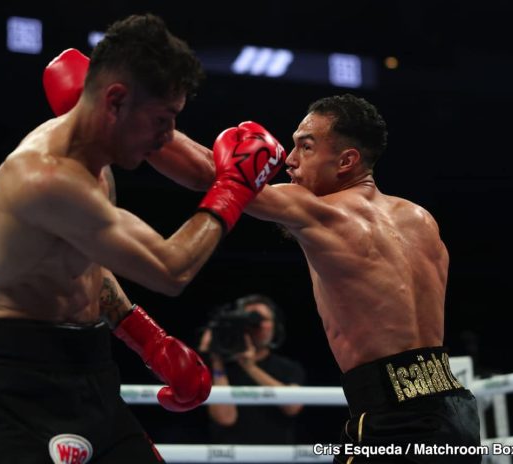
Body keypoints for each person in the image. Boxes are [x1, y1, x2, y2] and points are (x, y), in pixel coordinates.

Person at [40, 49, 481, 463]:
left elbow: (212, 175)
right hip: (455, 408)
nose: (289, 159)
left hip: (394, 418)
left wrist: (112, 111)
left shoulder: (322, 212)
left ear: (347, 160)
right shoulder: (421, 219)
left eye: (306, 146)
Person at [0, 14, 285, 464]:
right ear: (115, 100)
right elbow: (170, 269)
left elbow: (84, 268)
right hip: (17, 384)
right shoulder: (46, 179)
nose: (166, 138)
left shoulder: (96, 165)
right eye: (163, 120)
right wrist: (234, 188)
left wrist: (149, 340)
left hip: (90, 365)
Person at [198, 294, 306, 444]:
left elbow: (293, 407)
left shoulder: (288, 368)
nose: (257, 326)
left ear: (275, 325)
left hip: (276, 453)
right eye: (249, 320)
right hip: (230, 453)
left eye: (262, 319)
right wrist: (216, 359)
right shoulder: (218, 369)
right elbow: (225, 418)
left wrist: (249, 367)